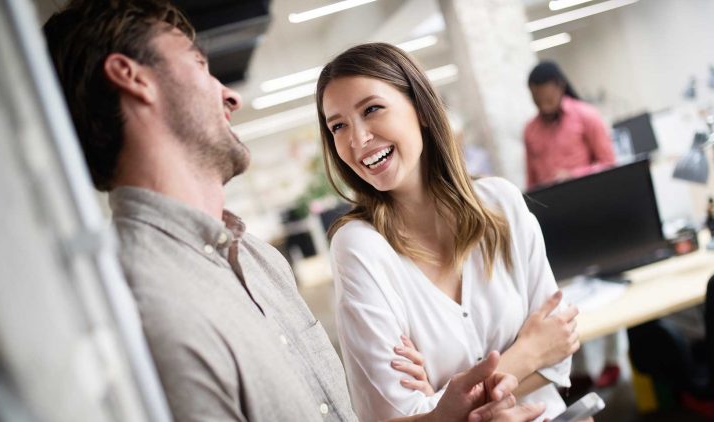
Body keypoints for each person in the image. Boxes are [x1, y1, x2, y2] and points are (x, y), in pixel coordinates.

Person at [42, 1, 545, 421]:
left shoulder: (259, 260)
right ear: (132, 77)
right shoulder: (139, 301)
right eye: (198, 65)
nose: (230, 95)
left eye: (372, 109)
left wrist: (440, 416)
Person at [316, 43, 580, 422]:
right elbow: (393, 415)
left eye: (371, 109)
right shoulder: (358, 247)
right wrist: (528, 353)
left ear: (422, 109)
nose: (357, 140)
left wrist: (444, 404)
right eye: (338, 126)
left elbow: (560, 351)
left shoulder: (501, 203)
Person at [524, 61, 615, 190]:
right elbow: (531, 182)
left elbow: (609, 164)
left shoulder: (586, 115)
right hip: (550, 199)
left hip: (586, 192)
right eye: (537, 101)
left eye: (548, 100)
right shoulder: (530, 130)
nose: (544, 107)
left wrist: (574, 175)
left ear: (560, 87)